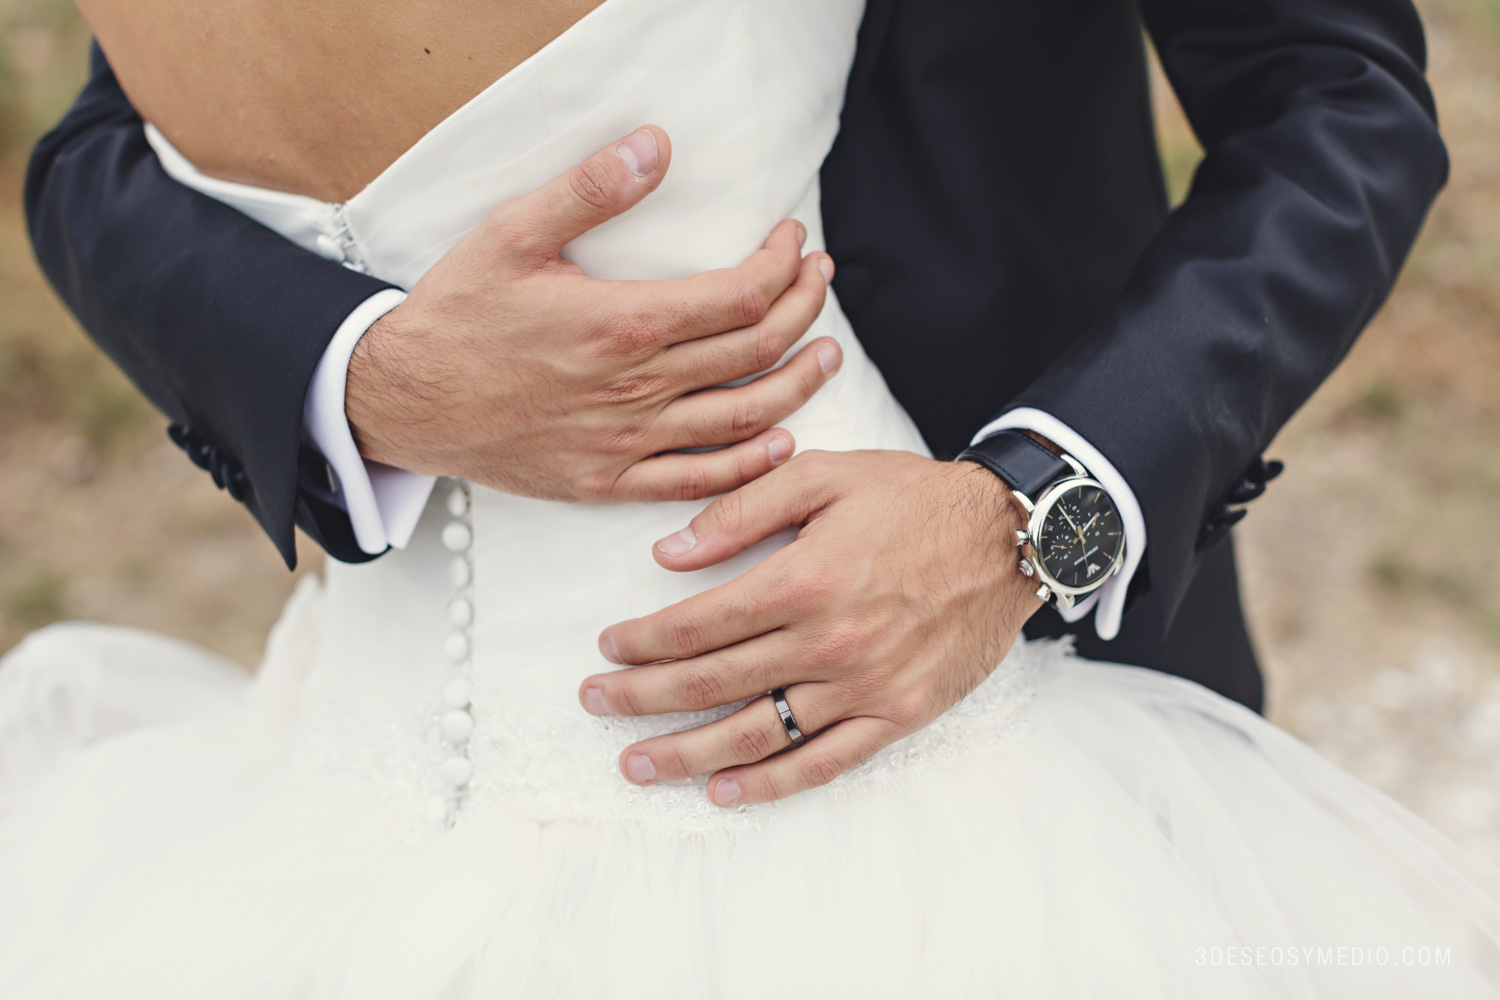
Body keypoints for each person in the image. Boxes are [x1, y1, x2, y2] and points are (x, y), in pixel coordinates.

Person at [4, 0, 1498, 996]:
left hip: (964, 696)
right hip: (370, 750)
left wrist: (1030, 513)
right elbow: (105, 143)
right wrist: (363, 379)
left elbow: (1338, 97)